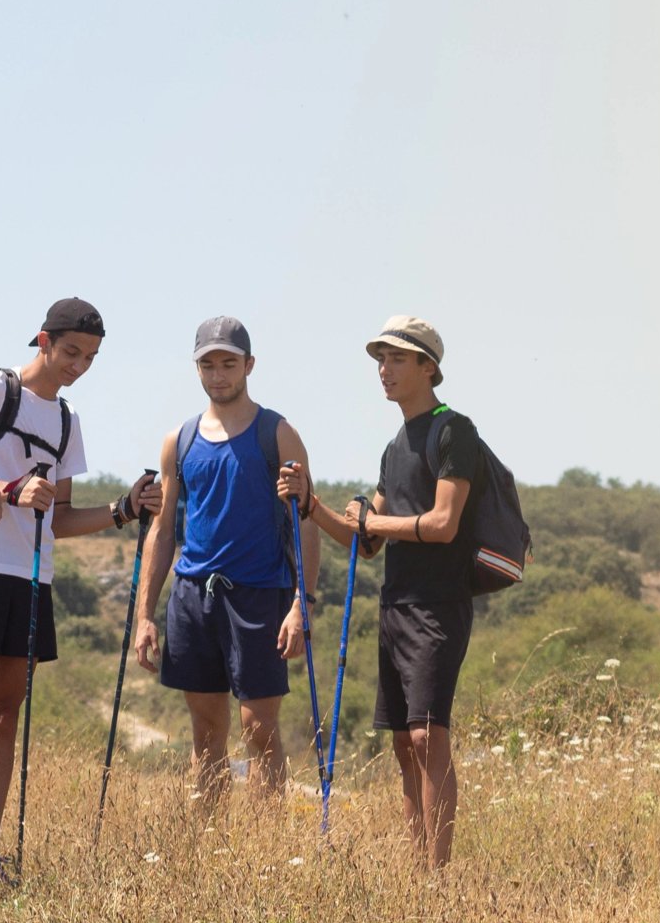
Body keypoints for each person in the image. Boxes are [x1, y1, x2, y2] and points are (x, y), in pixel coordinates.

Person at [0, 298, 159, 899]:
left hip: (31, 576)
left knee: (3, 713)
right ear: (42, 341)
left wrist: (125, 509)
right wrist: (2, 487)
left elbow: (61, 519)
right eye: (71, 351)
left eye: (91, 358)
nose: (78, 365)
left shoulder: (68, 422)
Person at [279, 316, 479, 869]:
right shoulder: (395, 449)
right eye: (380, 361)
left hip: (438, 607)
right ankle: (420, 876)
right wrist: (311, 505)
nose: (384, 371)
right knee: (400, 743)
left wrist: (374, 524)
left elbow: (442, 524)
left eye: (396, 359)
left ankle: (438, 883)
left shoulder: (452, 429)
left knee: (425, 737)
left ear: (428, 368)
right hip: (395, 607)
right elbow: (363, 546)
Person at [134, 316, 319, 811]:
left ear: (249, 365)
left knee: (258, 728)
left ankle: (264, 846)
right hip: (194, 595)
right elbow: (164, 528)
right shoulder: (181, 439)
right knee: (206, 730)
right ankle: (207, 843)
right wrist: (146, 614)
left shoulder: (278, 434)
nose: (218, 375)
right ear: (197, 369)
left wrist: (303, 603)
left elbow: (307, 522)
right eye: (208, 364)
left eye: (228, 364)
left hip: (260, 594)